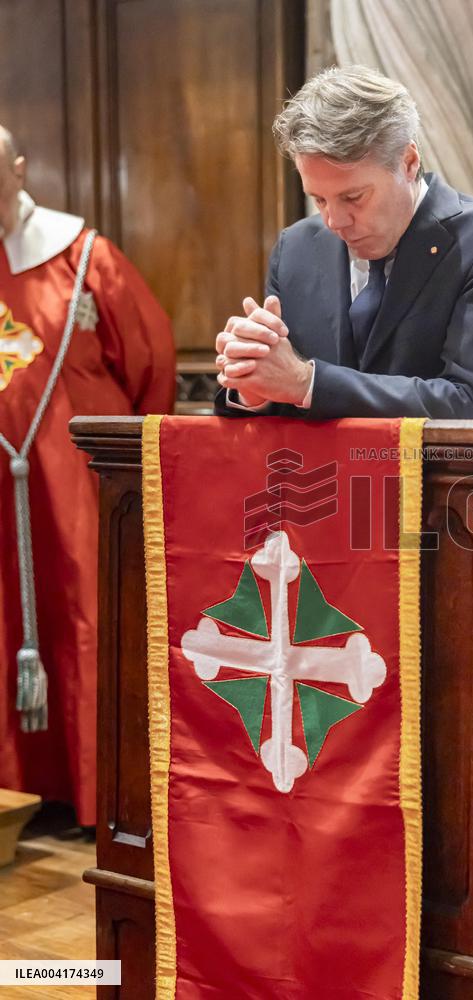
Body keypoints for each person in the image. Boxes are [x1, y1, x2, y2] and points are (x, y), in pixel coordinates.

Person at [213, 66, 473, 869]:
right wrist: (245, 383)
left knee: (436, 755)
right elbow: (269, 397)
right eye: (317, 198)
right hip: (322, 533)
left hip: (450, 533)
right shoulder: (299, 246)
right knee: (328, 744)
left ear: (408, 161)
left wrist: (305, 382)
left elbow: (472, 402)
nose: (332, 220)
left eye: (351, 198)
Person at [0, 126, 175, 827]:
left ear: (17, 169)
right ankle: (17, 789)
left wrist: (125, 476)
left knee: (84, 622)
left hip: (77, 488)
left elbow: (151, 363)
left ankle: (95, 792)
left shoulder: (82, 256)